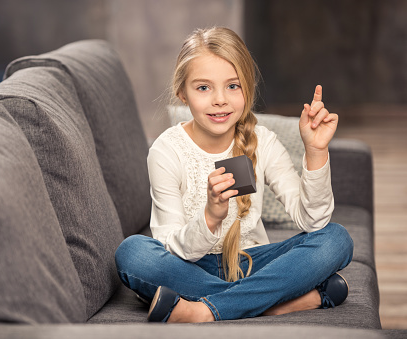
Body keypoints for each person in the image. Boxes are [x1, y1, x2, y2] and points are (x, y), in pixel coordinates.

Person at [114, 26, 354, 323]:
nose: (220, 100)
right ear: (182, 94)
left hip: (252, 262)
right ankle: (270, 302)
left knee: (335, 239)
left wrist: (316, 152)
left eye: (233, 86)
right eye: (203, 88)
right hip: (189, 267)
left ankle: (205, 310)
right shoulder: (166, 150)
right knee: (133, 253)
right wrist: (211, 217)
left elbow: (312, 221)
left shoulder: (263, 141)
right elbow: (169, 246)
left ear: (247, 89)